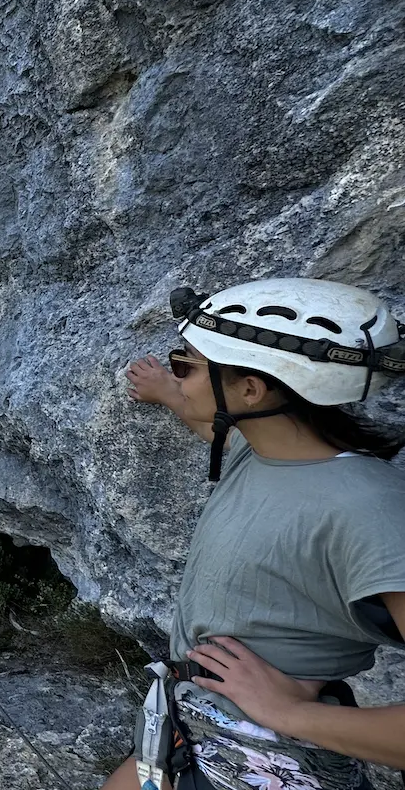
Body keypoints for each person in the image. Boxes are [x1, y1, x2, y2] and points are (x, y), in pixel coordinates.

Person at [107, 278, 405, 790]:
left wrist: (286, 712)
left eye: (188, 366)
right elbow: (209, 423)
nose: (181, 375)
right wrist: (167, 393)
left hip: (265, 757)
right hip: (197, 726)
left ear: (251, 390)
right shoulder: (262, 451)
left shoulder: (367, 508)